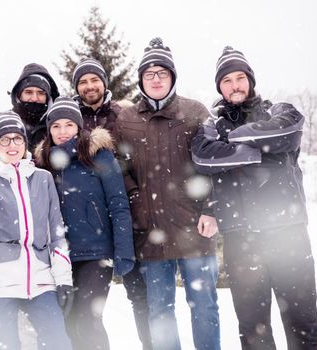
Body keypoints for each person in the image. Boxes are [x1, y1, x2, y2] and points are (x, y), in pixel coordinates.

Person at [191, 46, 317, 350]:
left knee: (303, 322)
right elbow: (202, 156)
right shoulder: (211, 126)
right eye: (227, 80)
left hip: (287, 233)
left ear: (250, 80)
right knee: (253, 328)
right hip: (241, 239)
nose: (235, 85)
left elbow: (288, 131)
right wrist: (259, 152)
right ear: (219, 87)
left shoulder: (280, 110)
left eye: (240, 77)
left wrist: (235, 143)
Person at [113, 37, 220, 350]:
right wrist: (135, 200)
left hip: (195, 229)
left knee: (204, 306)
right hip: (152, 230)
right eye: (149, 74)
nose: (155, 79)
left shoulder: (194, 112)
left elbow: (213, 165)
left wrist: (211, 208)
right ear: (141, 80)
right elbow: (120, 167)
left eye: (162, 73)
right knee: (159, 311)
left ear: (172, 77)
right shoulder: (127, 118)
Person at [35, 96, 135, 350]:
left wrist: (124, 250)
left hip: (96, 253)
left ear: (79, 127)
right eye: (56, 126)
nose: (62, 131)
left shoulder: (98, 156)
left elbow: (118, 203)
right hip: (59, 257)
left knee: (87, 319)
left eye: (69, 124)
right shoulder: (43, 164)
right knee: (67, 322)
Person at [0, 112, 73, 350]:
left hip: (41, 279)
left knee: (58, 343)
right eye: (4, 139)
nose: (12, 145)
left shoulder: (43, 179)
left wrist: (63, 281)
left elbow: (55, 233)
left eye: (17, 138)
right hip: (0, 283)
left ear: (26, 143)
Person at [72, 58, 151, 350]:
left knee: (139, 293)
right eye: (83, 81)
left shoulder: (124, 115)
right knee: (84, 309)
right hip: (90, 225)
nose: (89, 86)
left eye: (94, 79)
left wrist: (132, 192)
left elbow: (137, 160)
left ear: (104, 83)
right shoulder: (70, 119)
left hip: (128, 212)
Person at [10, 63, 60, 151]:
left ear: (48, 98)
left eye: (41, 93)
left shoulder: (59, 125)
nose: (34, 98)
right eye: (28, 92)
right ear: (19, 95)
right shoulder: (2, 122)